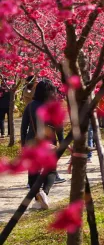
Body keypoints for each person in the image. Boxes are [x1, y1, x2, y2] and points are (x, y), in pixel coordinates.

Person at [20, 79, 61, 209]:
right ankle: (45, 193)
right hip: (49, 142)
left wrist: (23, 145)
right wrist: (63, 142)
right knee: (51, 171)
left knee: (33, 172)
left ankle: (38, 194)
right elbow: (58, 128)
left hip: (32, 142)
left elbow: (23, 127)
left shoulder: (30, 106)